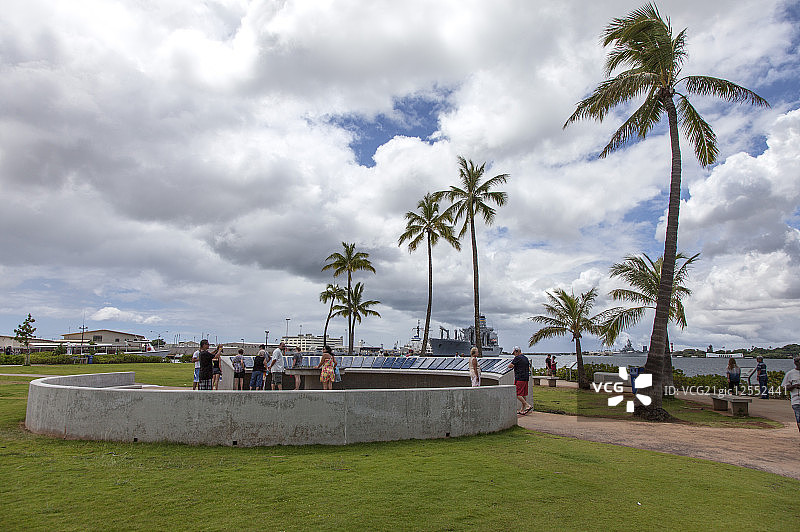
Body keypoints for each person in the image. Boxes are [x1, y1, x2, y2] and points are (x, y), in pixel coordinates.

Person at [508, 346, 532, 415]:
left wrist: (509, 365)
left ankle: (527, 405)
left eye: (514, 353)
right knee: (523, 394)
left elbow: (510, 366)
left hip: (519, 378)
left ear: (517, 351)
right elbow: (529, 367)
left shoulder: (517, 358)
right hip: (526, 378)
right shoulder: (525, 358)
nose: (514, 355)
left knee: (517, 393)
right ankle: (522, 410)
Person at [780, 356, 800, 434]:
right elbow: (785, 387)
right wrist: (794, 386)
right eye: (798, 361)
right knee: (799, 418)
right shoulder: (790, 373)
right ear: (795, 362)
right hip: (796, 400)